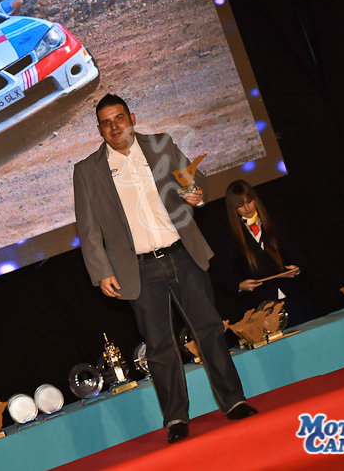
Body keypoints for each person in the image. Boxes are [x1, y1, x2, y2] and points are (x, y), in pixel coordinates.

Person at [73, 93, 256, 444]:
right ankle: (175, 419)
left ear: (132, 119)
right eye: (106, 123)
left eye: (119, 118)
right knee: (159, 347)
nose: (114, 126)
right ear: (99, 130)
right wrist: (101, 271)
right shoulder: (87, 171)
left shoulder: (161, 145)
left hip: (183, 254)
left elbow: (196, 181)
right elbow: (88, 228)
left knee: (209, 331)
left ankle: (234, 401)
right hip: (138, 269)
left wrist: (196, 194)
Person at [212, 180, 313, 327]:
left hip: (294, 298)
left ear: (255, 200)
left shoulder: (275, 223)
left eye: (249, 201)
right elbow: (222, 275)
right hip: (262, 308)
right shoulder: (230, 237)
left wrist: (296, 269)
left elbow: (298, 256)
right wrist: (239, 286)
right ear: (233, 209)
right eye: (240, 205)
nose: (247, 208)